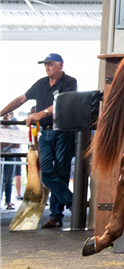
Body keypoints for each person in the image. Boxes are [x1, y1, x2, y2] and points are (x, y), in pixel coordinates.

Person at [0, 53, 78, 228]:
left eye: (50, 64)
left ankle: (56, 216)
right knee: (47, 171)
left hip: (63, 132)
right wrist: (1, 113)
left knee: (62, 172)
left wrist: (41, 113)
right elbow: (21, 99)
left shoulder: (69, 82)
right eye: (45, 65)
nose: (47, 67)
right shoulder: (41, 83)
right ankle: (73, 201)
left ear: (61, 65)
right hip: (45, 133)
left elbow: (62, 102)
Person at [2, 112, 21, 209]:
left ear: (12, 116)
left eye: (9, 113)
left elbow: (18, 144)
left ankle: (8, 201)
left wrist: (4, 143)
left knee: (9, 179)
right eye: (5, 113)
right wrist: (10, 143)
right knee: (1, 179)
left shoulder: (15, 128)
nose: (6, 115)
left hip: (11, 154)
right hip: (2, 155)